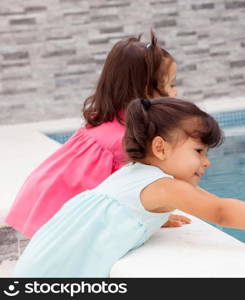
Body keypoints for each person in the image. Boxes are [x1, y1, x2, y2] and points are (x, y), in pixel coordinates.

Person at [13, 97, 245, 277]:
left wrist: (156, 217)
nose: (206, 162)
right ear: (160, 148)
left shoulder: (133, 173)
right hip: (61, 274)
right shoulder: (164, 186)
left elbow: (116, 211)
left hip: (39, 264)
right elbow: (221, 211)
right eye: (199, 152)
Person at [4, 32, 190, 238]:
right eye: (171, 84)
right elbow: (128, 196)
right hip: (58, 211)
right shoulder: (127, 140)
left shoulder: (111, 120)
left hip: (46, 196)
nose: (175, 92)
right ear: (147, 90)